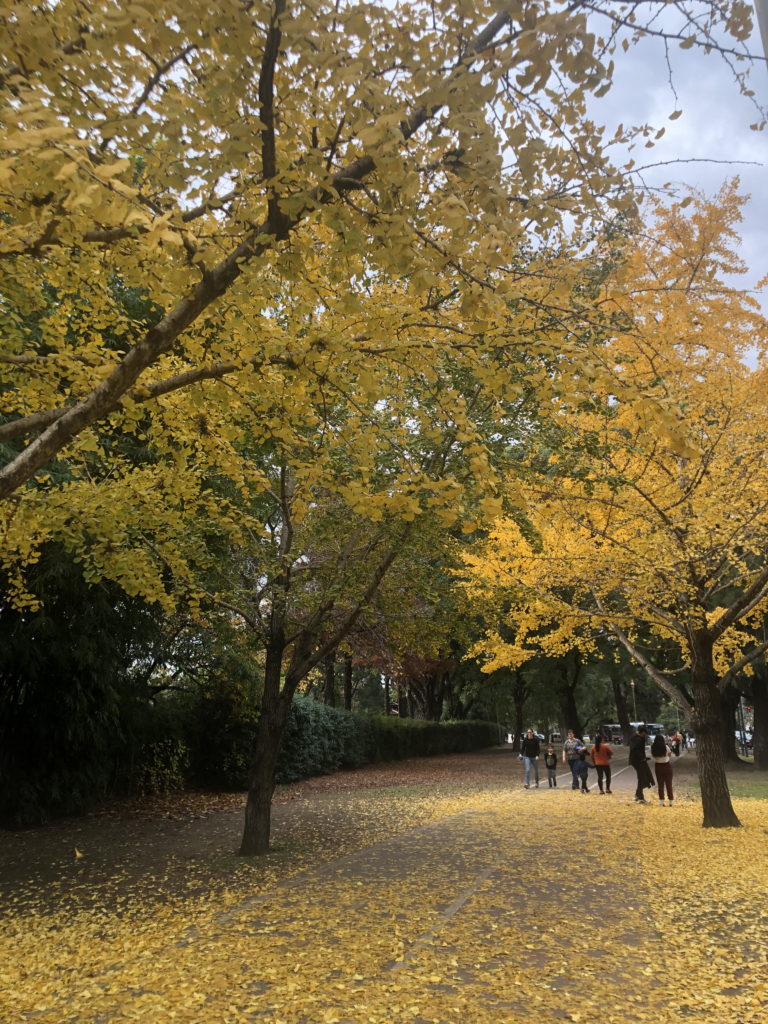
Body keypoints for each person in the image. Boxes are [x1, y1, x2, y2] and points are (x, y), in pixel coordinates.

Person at [651, 733, 674, 806]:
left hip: (658, 766)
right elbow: (670, 755)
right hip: (667, 766)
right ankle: (671, 801)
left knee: (660, 784)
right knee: (669, 784)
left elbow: (653, 755)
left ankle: (661, 801)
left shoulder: (653, 747)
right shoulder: (666, 747)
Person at [629, 725, 651, 803]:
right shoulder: (638, 739)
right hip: (637, 761)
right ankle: (640, 797)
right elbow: (635, 749)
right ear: (643, 733)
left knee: (641, 777)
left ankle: (637, 795)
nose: (646, 735)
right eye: (646, 733)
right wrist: (642, 757)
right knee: (641, 777)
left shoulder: (635, 738)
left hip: (635, 760)